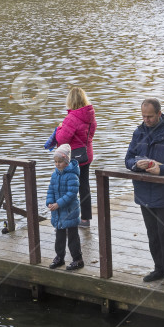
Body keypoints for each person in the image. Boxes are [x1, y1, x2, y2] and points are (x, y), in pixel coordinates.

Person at [124, 98, 164, 287]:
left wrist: (162, 170)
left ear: (159, 114)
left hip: (163, 192)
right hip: (143, 190)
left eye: (150, 116)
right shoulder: (138, 132)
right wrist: (136, 165)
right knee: (152, 234)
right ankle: (159, 269)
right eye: (143, 116)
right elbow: (127, 159)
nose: (146, 120)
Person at [53, 87, 96, 228]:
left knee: (67, 186)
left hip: (73, 157)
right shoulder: (90, 116)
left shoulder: (71, 118)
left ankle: (68, 217)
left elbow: (62, 139)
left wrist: (59, 127)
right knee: (84, 186)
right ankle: (85, 219)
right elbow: (91, 134)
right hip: (86, 155)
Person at [46, 144, 84, 271]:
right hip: (58, 212)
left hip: (69, 211)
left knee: (73, 236)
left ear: (66, 162)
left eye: (60, 162)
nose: (57, 164)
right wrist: (50, 202)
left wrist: (59, 204)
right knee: (59, 236)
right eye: (55, 162)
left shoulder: (72, 175)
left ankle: (77, 259)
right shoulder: (54, 175)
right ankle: (59, 257)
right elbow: (50, 189)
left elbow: (72, 194)